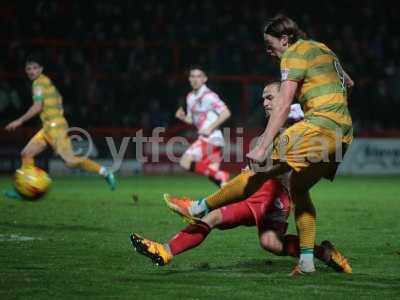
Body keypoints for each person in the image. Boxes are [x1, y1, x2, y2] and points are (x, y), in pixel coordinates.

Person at [166, 16, 354, 275]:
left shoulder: (293, 54)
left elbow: (284, 103)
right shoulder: (324, 50)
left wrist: (262, 145)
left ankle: (199, 206)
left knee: (256, 170)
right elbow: (349, 83)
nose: (268, 51)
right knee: (299, 189)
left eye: (269, 44)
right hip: (343, 133)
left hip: (319, 126)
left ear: (285, 39)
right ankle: (307, 263)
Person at [130, 83, 351, 274]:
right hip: (265, 189)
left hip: (274, 193)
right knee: (267, 241)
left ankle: (181, 229)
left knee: (241, 229)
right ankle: (325, 253)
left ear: (285, 97)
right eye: (263, 98)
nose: (264, 102)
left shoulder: (294, 114)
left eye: (269, 97)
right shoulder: (278, 121)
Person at [4, 55, 116, 199]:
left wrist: (19, 121)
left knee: (71, 161)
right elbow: (59, 98)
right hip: (48, 127)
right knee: (26, 154)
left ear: (41, 69)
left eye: (34, 68)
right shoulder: (47, 82)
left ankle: (105, 172)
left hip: (55, 127)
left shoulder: (38, 83)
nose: (31, 71)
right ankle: (24, 190)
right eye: (28, 69)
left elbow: (37, 106)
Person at [175, 65, 231, 187]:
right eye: (192, 76)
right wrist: (183, 117)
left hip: (210, 138)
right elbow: (193, 120)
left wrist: (210, 128)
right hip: (214, 140)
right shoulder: (190, 97)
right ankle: (232, 203)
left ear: (205, 79)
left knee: (185, 162)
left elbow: (226, 113)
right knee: (215, 178)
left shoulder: (209, 96)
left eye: (199, 76)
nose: (195, 79)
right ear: (189, 79)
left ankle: (221, 175)